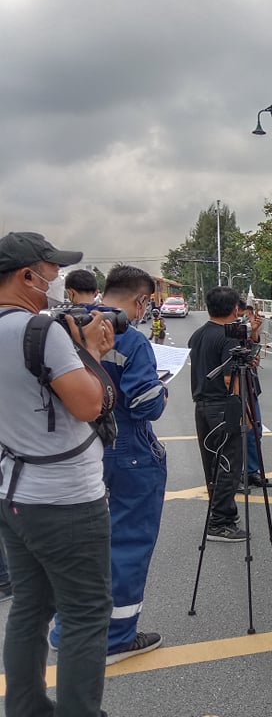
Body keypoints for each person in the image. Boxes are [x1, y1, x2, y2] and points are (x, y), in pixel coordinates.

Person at [0, 231, 114, 717]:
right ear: (28, 275)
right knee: (87, 614)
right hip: (65, 499)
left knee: (30, 606)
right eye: (52, 269)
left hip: (12, 490)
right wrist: (90, 352)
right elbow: (90, 404)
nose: (57, 279)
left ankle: (24, 709)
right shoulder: (39, 332)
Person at [50, 265, 167, 664]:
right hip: (128, 450)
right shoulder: (130, 339)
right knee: (127, 543)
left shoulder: (66, 328)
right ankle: (116, 637)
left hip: (78, 449)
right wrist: (162, 390)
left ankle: (66, 627)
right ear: (141, 300)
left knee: (82, 543)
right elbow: (145, 404)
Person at [188, 286, 248, 542]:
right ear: (235, 309)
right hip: (222, 406)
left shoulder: (198, 334)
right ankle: (221, 522)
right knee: (229, 465)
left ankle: (219, 514)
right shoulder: (228, 337)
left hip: (202, 406)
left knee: (213, 463)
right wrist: (243, 411)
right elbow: (229, 378)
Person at [240, 301, 272, 491]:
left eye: (249, 317)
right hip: (236, 389)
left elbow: (253, 347)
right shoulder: (227, 335)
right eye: (243, 317)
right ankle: (236, 474)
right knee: (240, 432)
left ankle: (252, 471)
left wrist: (254, 331)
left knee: (255, 431)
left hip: (251, 386)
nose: (247, 321)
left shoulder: (250, 334)